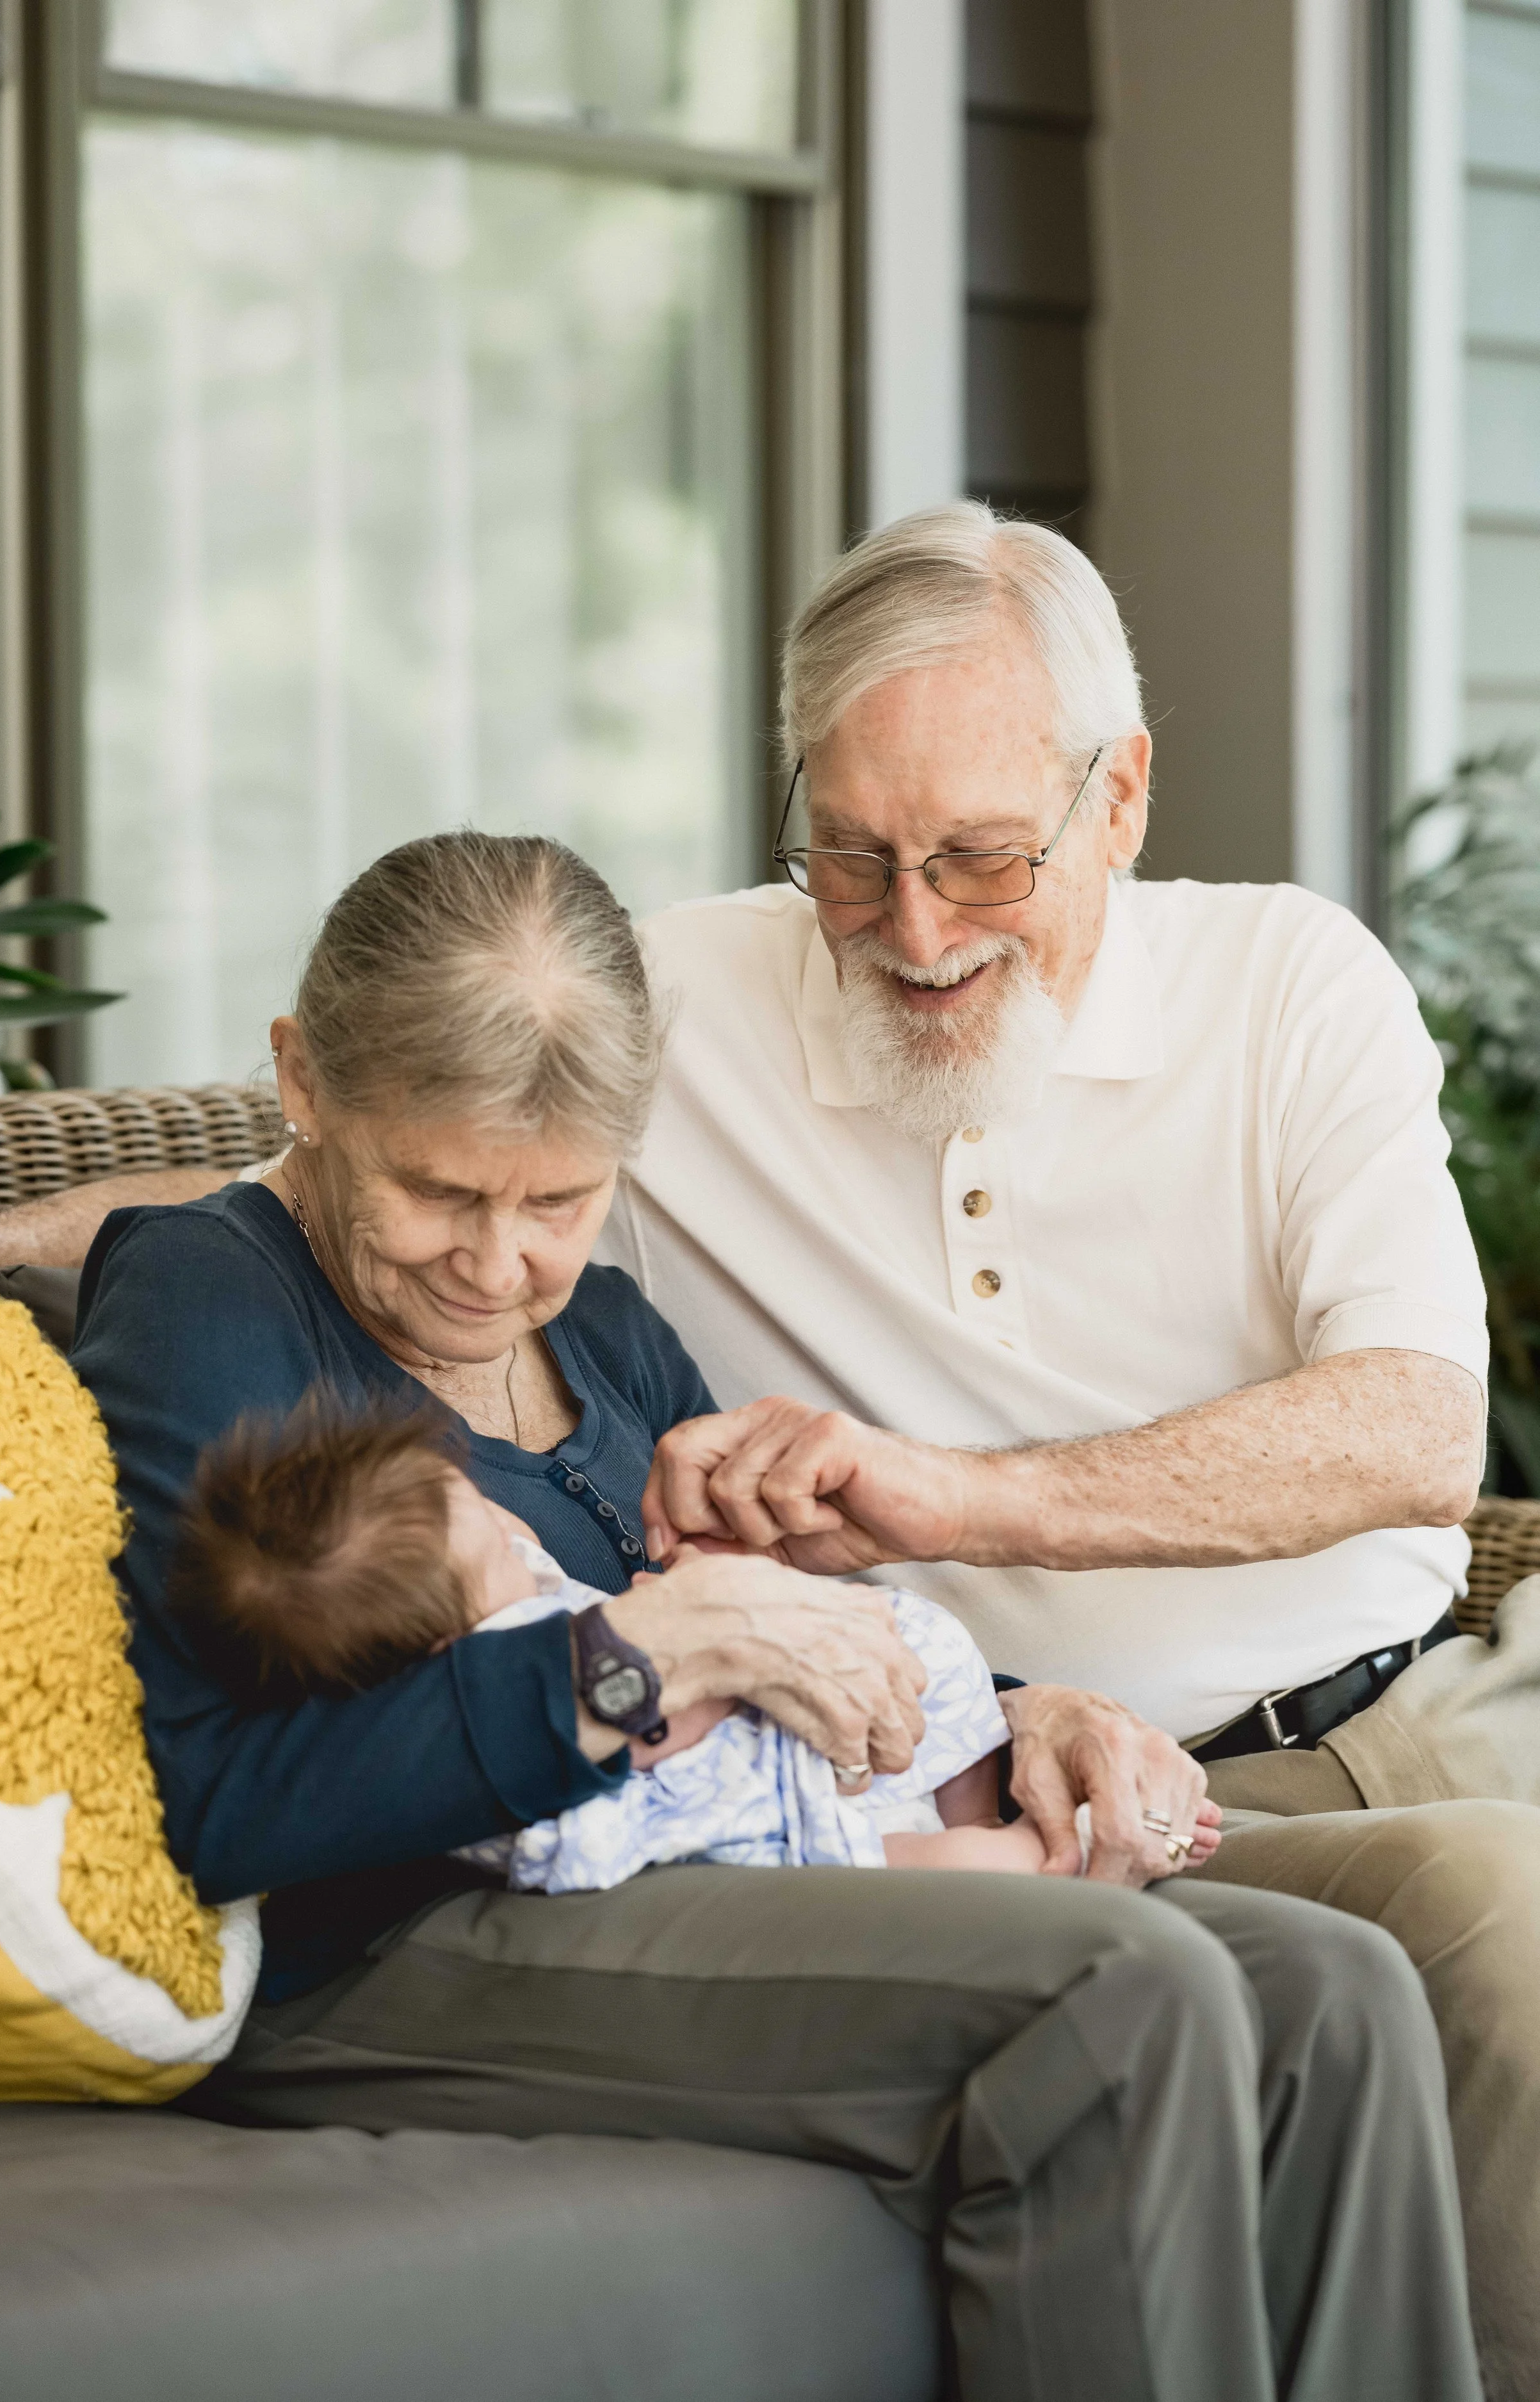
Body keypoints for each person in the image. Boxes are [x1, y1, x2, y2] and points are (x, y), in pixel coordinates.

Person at [0, 826, 1471, 2400]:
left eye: (558, 1200)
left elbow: (790, 1625)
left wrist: (1031, 1706)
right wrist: (630, 1664)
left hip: (692, 1860)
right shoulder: (215, 1294)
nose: (497, 1267)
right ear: (303, 1084)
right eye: (437, 1191)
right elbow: (205, 1798)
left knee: (1329, 1989)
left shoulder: (615, 1336)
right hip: (396, 1934)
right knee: (1126, 1993)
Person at [603, 501, 1540, 2399]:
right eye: (850, 856)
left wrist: (958, 1494)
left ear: (1116, 798)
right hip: (997, 1796)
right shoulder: (674, 999)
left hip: (1383, 1712)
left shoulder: (1292, 985)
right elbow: (337, 1177)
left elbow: (1418, 1426)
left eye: (979, 856)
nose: (915, 930)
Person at [168, 1388, 1186, 1885]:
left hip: (841, 1749)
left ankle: (1022, 1813)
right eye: (487, 1530)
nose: (510, 1521)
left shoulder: (604, 1336)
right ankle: (1058, 1860)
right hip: (792, 1840)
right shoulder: (492, 1656)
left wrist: (719, 1585)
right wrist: (696, 1640)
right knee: (956, 1869)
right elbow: (658, 1707)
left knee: (931, 1676)